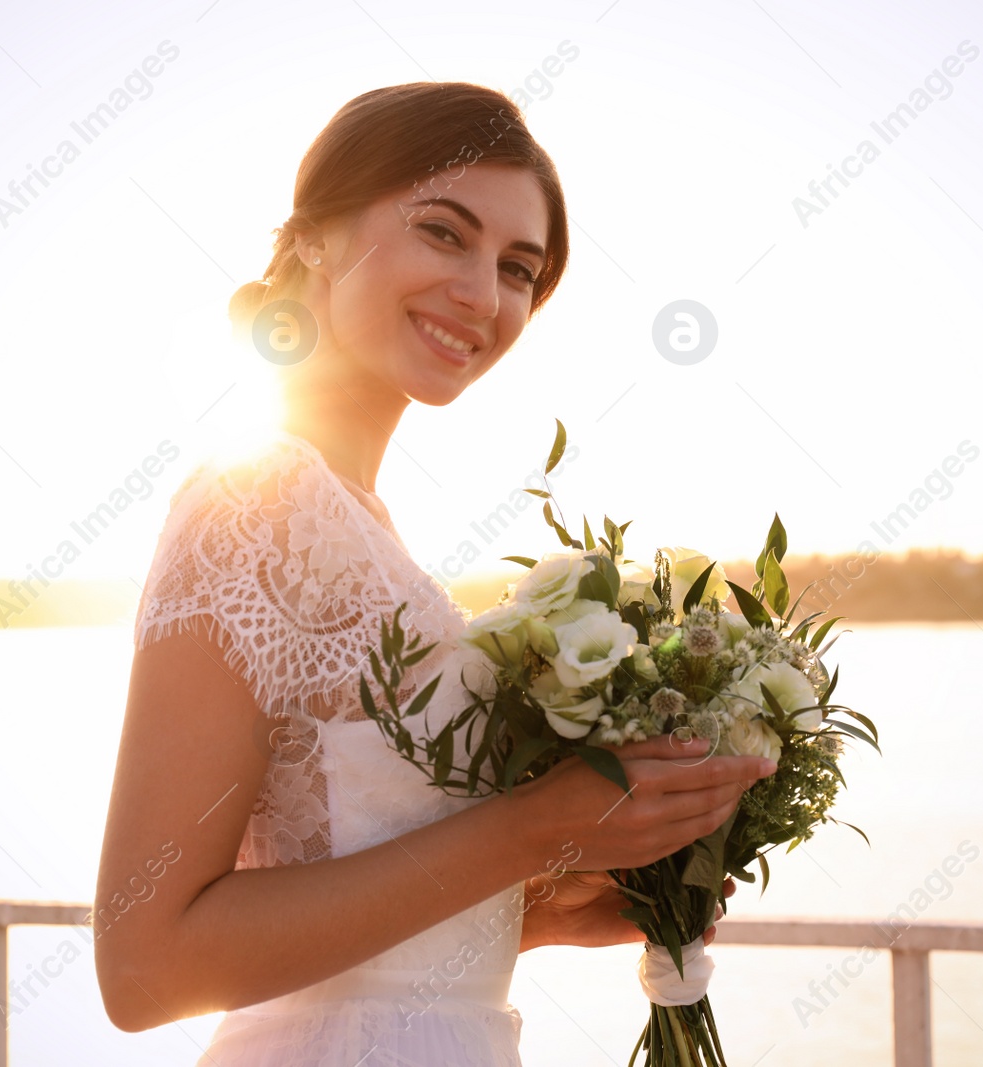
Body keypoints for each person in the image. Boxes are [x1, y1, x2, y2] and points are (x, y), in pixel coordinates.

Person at [92, 81, 776, 1065]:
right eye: (443, 233)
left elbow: (336, 891)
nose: (482, 292)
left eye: (517, 268)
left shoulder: (357, 521)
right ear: (318, 236)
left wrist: (534, 908)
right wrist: (528, 832)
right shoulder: (254, 500)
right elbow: (145, 962)